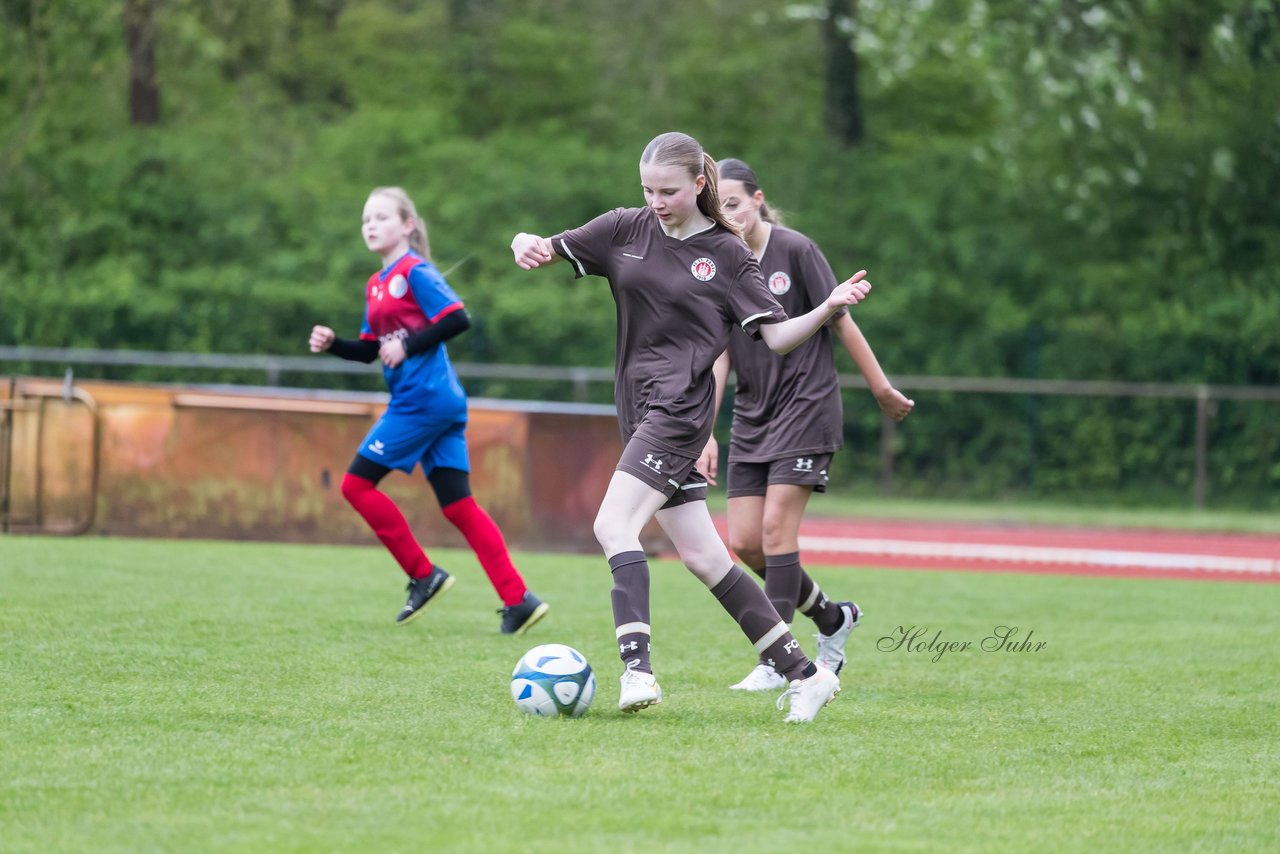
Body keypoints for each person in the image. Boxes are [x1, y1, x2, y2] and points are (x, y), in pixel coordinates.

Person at [510, 132, 874, 722]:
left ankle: (637, 670)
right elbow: (545, 246)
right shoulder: (624, 228)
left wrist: (828, 306)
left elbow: (777, 335)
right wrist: (524, 241)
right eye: (648, 189)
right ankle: (807, 676)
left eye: (669, 191)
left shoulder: (729, 255)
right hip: (636, 408)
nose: (656, 201)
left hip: (678, 410)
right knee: (706, 557)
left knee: (612, 524)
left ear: (699, 185)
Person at [698, 158, 914, 691]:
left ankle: (779, 661)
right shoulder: (718, 261)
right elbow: (720, 355)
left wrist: (882, 387)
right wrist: (705, 429)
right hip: (753, 414)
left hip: (807, 406)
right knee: (746, 543)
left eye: (734, 203)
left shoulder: (796, 250)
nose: (728, 215)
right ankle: (833, 619)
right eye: (717, 208)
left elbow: (841, 319)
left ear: (757, 199)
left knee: (776, 532)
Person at [310, 186, 549, 634]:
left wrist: (407, 343)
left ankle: (423, 574)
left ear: (407, 225)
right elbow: (369, 351)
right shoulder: (377, 284)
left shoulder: (413, 271)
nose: (371, 225)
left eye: (381, 217)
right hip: (436, 404)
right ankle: (518, 599)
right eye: (366, 219)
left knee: (355, 485)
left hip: (422, 401)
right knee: (459, 506)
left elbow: (458, 317)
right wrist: (332, 345)